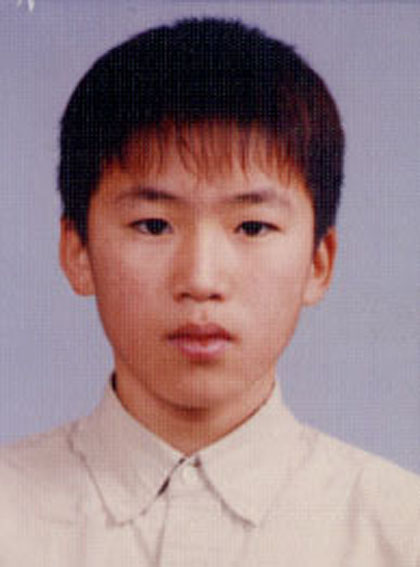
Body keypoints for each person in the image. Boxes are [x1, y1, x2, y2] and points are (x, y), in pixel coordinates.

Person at [0, 17, 418, 566]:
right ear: (78, 250)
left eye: (252, 227)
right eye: (153, 225)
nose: (200, 280)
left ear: (319, 261)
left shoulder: (400, 531)